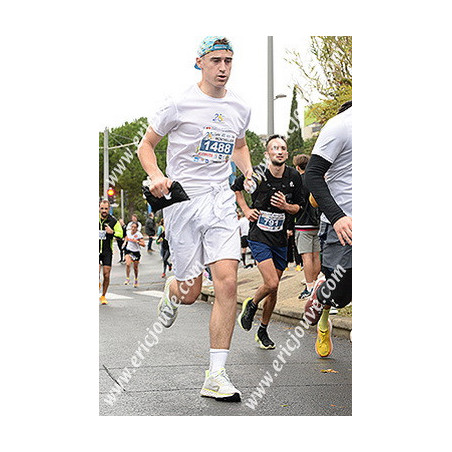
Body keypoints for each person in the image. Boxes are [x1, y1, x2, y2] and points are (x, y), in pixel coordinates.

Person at [137, 36, 254, 402]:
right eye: (216, 60)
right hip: (184, 202)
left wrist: (248, 172)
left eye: (228, 61)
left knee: (227, 283)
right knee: (190, 293)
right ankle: (173, 291)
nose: (223, 67)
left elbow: (239, 145)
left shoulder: (239, 106)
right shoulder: (178, 103)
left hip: (220, 201)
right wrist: (157, 176)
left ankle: (216, 375)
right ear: (200, 62)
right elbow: (145, 146)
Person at [232, 134, 303, 349]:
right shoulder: (257, 173)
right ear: (267, 153)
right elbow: (235, 188)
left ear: (287, 154)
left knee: (274, 289)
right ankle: (252, 304)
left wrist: (285, 207)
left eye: (282, 148)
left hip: (280, 238)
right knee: (271, 282)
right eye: (275, 148)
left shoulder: (293, 176)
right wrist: (246, 210)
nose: (279, 151)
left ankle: (262, 329)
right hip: (259, 236)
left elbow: (299, 207)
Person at [303, 101, 352, 358]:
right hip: (343, 225)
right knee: (340, 294)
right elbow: (312, 175)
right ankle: (322, 294)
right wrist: (337, 217)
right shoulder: (340, 126)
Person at [293, 154, 321, 298]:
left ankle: (309, 287)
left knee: (306, 257)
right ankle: (316, 284)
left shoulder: (298, 182)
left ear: (297, 167)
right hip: (316, 223)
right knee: (316, 256)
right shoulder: (314, 180)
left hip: (303, 223)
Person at [99, 199, 123, 304]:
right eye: (102, 208)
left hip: (107, 251)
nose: (104, 210)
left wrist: (112, 232)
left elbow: (120, 234)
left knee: (106, 275)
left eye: (106, 208)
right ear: (99, 208)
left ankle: (103, 296)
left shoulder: (113, 221)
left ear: (109, 209)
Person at [123, 222, 145, 287]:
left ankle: (136, 280)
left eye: (134, 227)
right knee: (128, 264)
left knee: (135, 268)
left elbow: (143, 244)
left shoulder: (139, 235)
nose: (133, 228)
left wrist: (137, 241)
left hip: (136, 252)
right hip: (128, 250)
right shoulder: (128, 232)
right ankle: (127, 278)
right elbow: (126, 237)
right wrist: (125, 242)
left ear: (137, 228)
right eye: (132, 227)